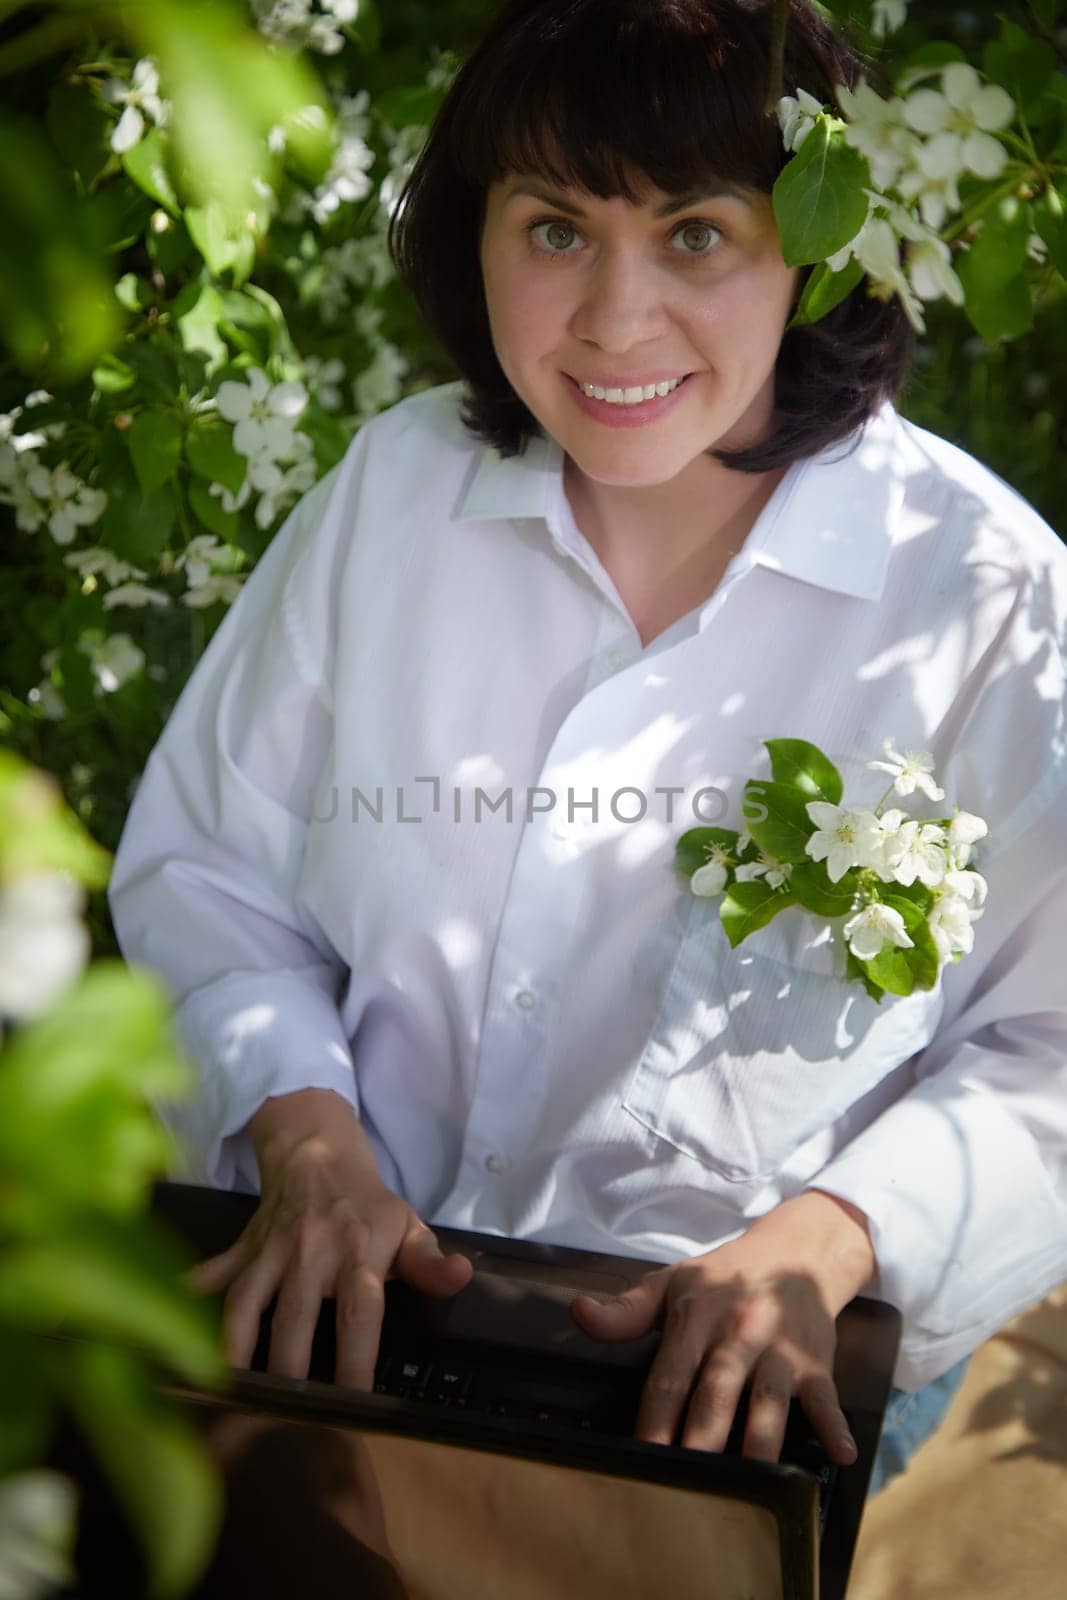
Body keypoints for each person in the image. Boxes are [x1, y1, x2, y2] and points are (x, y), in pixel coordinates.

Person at [108, 0, 1067, 1502]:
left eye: (696, 233)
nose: (615, 323)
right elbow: (209, 880)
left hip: (738, 1391)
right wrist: (302, 1134)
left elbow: (1051, 1051)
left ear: (822, 242)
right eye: (556, 228)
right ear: (472, 233)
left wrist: (832, 1242)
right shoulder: (395, 496)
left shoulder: (983, 594)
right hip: (353, 1315)